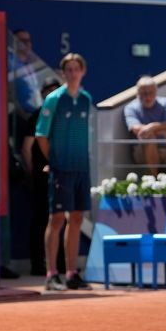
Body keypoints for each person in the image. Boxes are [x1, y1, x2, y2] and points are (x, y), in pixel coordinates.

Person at [35, 53, 92, 291]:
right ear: (62, 73)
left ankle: (71, 273)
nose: (72, 73)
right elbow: (41, 135)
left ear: (82, 71)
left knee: (77, 218)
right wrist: (54, 160)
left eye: (76, 69)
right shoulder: (54, 99)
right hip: (61, 169)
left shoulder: (86, 99)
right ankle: (51, 274)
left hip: (81, 168)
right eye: (68, 69)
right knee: (57, 219)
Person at [21, 77, 61, 276]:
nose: (52, 94)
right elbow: (27, 149)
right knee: (41, 219)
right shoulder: (37, 116)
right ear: (43, 93)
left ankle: (60, 264)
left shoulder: (63, 116)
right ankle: (38, 264)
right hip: (41, 177)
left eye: (56, 90)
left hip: (61, 174)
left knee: (61, 218)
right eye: (49, 91)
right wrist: (32, 174)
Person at [124, 75, 166, 176]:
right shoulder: (130, 108)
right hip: (142, 150)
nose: (148, 97)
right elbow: (137, 129)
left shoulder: (165, 103)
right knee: (150, 137)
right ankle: (154, 182)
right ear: (137, 94)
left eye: (151, 92)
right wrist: (162, 131)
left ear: (156, 92)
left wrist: (152, 127)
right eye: (144, 93)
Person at [10, 29, 42, 116]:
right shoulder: (9, 64)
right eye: (23, 41)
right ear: (14, 43)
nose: (27, 44)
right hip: (19, 115)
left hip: (35, 113)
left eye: (28, 41)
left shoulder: (31, 65)